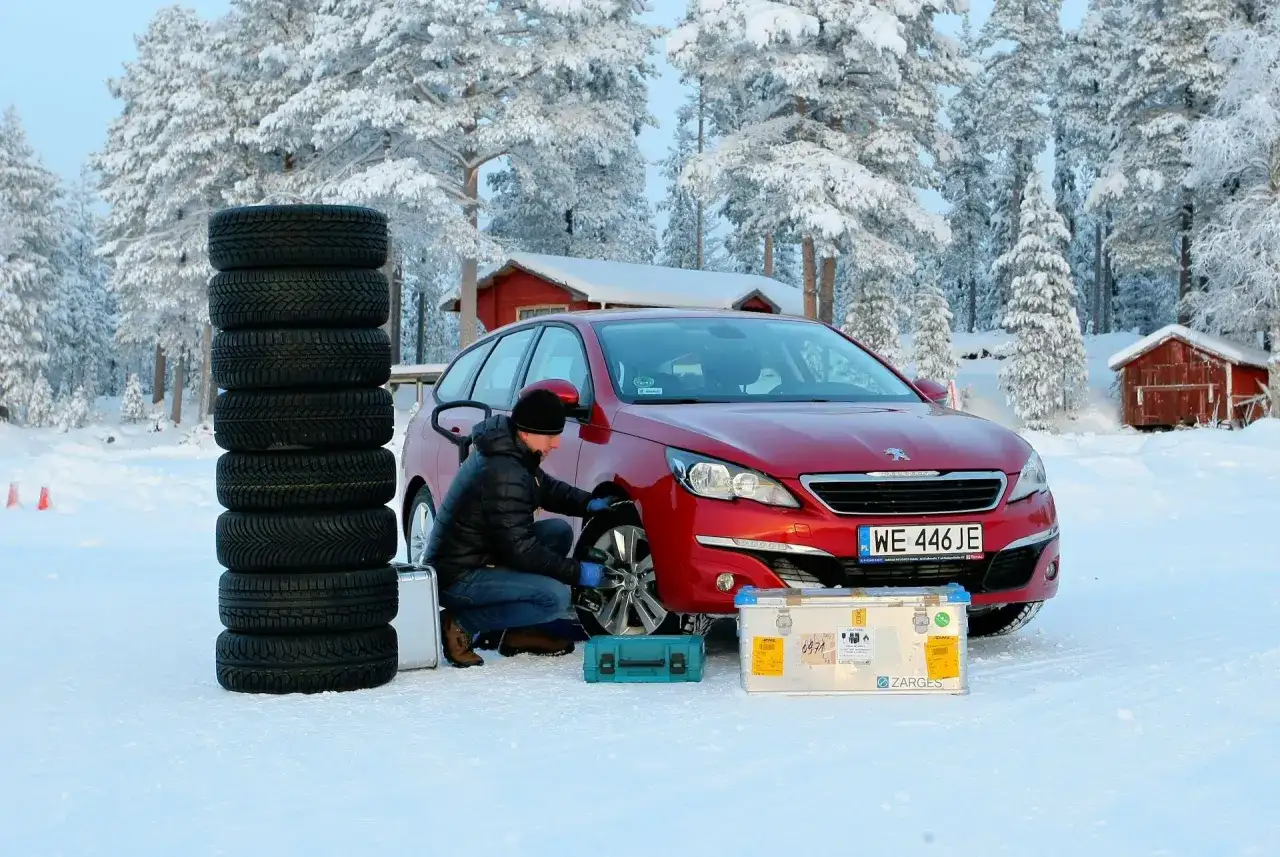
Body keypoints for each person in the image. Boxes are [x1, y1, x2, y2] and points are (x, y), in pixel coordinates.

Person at [423, 387, 613, 667]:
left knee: (558, 531)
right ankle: (461, 622)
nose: (556, 443)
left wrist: (588, 503)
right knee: (555, 598)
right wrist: (577, 572)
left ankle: (519, 631)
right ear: (526, 432)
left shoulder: (512, 449)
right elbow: (523, 552)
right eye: (551, 436)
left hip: (482, 556)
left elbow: (545, 487)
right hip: (458, 576)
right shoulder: (503, 470)